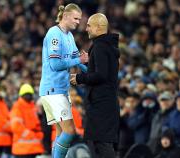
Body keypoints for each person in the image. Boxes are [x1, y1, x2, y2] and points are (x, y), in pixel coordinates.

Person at [39, 3, 88, 158]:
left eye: (79, 19)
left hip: (60, 89)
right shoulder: (54, 34)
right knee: (70, 131)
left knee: (60, 132)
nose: (78, 22)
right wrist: (78, 60)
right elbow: (55, 64)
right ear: (66, 16)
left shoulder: (69, 36)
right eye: (75, 18)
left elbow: (76, 59)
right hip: (53, 89)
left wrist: (91, 72)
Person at [70, 13, 120, 158]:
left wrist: (79, 78)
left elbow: (101, 75)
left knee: (102, 143)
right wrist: (88, 64)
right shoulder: (107, 46)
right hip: (106, 102)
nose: (86, 29)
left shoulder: (100, 47)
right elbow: (102, 73)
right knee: (101, 143)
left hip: (101, 103)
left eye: (89, 26)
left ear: (99, 27)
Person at [10, 84, 45, 157]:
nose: (28, 96)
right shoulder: (17, 107)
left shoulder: (33, 107)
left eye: (30, 94)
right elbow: (16, 126)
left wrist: (39, 135)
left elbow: (37, 124)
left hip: (34, 148)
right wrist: (32, 135)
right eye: (26, 94)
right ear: (21, 96)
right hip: (22, 149)